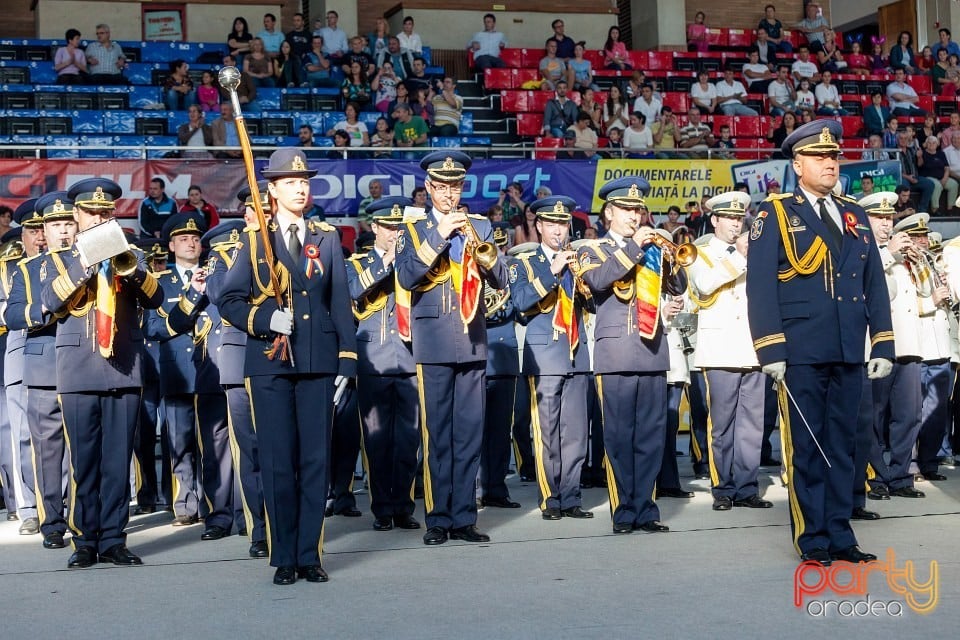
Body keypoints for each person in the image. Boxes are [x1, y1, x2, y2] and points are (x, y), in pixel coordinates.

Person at [745, 119, 894, 566]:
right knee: (807, 450)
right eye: (820, 157)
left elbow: (874, 284)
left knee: (844, 446)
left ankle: (840, 535)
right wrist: (770, 349)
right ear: (798, 163)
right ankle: (812, 539)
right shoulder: (775, 213)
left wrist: (882, 343)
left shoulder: (854, 212)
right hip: (801, 350)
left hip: (849, 347)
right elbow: (761, 287)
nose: (831, 164)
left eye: (834, 157)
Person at [217, 149, 357, 585]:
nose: (300, 187)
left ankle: (310, 554)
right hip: (270, 363)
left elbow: (339, 302)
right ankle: (283, 557)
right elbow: (229, 300)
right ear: (272, 191)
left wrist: (347, 361)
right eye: (290, 182)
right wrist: (264, 320)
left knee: (315, 460)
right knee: (278, 461)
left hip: (316, 360)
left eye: (305, 181)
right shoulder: (255, 240)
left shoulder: (327, 237)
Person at [40, 178, 163, 568]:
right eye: (91, 212)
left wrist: (127, 265)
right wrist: (86, 261)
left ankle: (114, 538)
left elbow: (156, 297)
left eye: (105, 212)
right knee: (84, 462)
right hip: (77, 370)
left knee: (116, 461)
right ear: (75, 216)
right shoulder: (58, 258)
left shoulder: (131, 251)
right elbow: (49, 302)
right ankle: (84, 540)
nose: (98, 218)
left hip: (124, 367)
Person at [395, 152, 507, 546]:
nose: (448, 194)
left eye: (454, 187)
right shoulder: (413, 227)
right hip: (434, 342)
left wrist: (485, 253)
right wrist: (440, 234)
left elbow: (502, 277)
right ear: (428, 188)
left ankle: (464, 517)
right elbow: (407, 276)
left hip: (473, 340)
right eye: (440, 187)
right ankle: (438, 518)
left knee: (469, 434)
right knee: (437, 434)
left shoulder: (479, 225)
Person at [577, 177, 682, 534]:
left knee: (651, 437)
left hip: (652, 351)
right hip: (616, 353)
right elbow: (599, 280)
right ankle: (623, 512)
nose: (634, 217)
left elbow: (679, 286)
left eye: (636, 210)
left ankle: (646, 509)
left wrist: (670, 255)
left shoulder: (653, 248)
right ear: (609, 212)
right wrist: (636, 247)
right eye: (625, 210)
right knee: (619, 438)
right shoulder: (592, 248)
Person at [685, 191, 771, 512]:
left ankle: (748, 486)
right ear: (715, 219)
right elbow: (704, 284)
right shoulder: (699, 251)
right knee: (721, 423)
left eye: (740, 218)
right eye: (730, 218)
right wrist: (738, 254)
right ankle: (722, 486)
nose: (736, 223)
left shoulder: (757, 249)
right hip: (719, 348)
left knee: (752, 425)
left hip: (752, 346)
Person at [510, 196, 593, 520]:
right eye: (553, 224)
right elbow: (521, 302)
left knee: (574, 432)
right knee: (546, 431)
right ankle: (551, 498)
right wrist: (552, 272)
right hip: (544, 355)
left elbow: (594, 304)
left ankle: (571, 496)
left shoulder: (578, 260)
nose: (559, 229)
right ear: (540, 226)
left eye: (564, 223)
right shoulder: (525, 263)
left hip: (576, 352)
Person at [202, 188, 273, 558]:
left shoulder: (285, 248)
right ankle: (258, 529)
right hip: (239, 358)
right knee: (250, 451)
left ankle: (281, 522)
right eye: (251, 211)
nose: (256, 217)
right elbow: (220, 295)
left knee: (281, 446)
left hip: (279, 355)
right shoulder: (223, 253)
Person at [5, 192, 77, 549]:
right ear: (42, 232)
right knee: (46, 452)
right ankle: (51, 522)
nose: (62, 232)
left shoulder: (88, 262)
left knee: (82, 450)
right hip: (42, 364)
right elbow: (14, 314)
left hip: (82, 366)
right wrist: (46, 308)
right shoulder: (25, 269)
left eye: (68, 224)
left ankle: (82, 521)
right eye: (55, 226)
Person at [346, 197, 422, 532]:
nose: (394, 234)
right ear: (374, 228)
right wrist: (386, 262)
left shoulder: (415, 261)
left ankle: (403, 506)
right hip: (374, 359)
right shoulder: (357, 263)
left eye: (399, 229)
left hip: (408, 356)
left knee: (408, 439)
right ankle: (381, 509)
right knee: (376, 440)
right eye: (389, 228)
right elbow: (352, 291)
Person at [918, 135, 958, 215]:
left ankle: (950, 209)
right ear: (926, 144)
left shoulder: (941, 154)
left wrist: (945, 178)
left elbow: (946, 168)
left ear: (937, 144)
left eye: (934, 143)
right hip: (928, 177)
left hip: (942, 177)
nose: (931, 144)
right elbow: (919, 165)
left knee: (954, 185)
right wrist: (919, 157)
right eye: (929, 143)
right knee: (937, 185)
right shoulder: (923, 153)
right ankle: (934, 209)